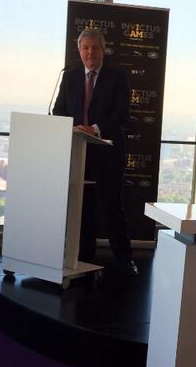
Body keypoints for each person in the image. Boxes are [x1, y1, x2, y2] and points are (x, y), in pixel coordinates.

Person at [53, 28, 137, 275]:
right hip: (78, 152)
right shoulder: (70, 77)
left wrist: (94, 129)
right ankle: (83, 258)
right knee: (82, 207)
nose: (90, 52)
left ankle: (124, 260)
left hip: (108, 152)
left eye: (94, 48)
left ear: (103, 50)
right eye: (85, 48)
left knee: (112, 207)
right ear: (79, 51)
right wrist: (74, 128)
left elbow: (122, 114)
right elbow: (59, 111)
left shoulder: (117, 77)